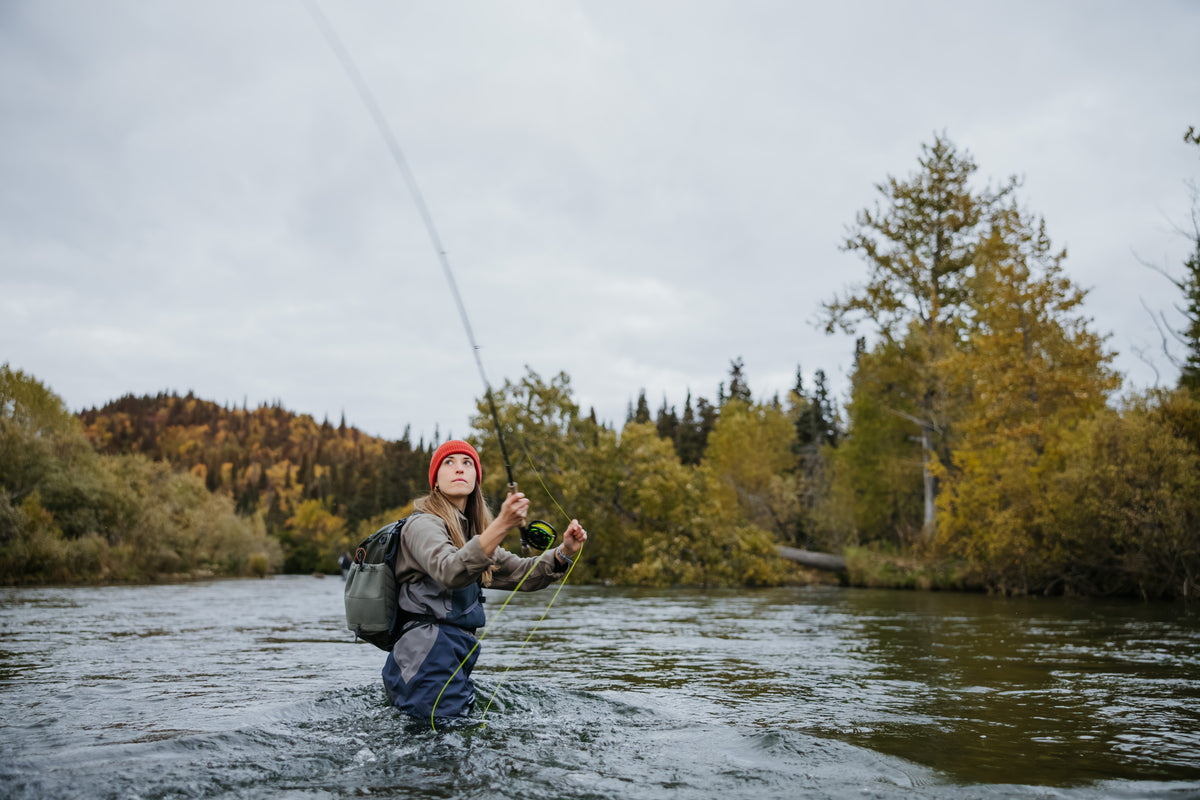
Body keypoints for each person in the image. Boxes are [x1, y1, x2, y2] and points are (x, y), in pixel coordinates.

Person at [382, 439, 587, 721]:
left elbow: (522, 573)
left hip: (449, 661)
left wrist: (564, 552)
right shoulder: (422, 525)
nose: (459, 469)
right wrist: (502, 524)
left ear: (476, 478)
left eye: (467, 463)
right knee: (443, 758)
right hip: (425, 661)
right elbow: (449, 570)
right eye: (449, 463)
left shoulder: (472, 536)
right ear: (436, 481)